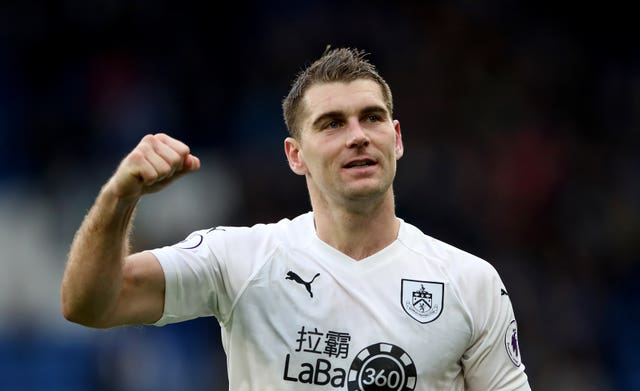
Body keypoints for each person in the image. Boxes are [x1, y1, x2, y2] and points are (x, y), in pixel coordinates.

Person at [61, 47, 531, 390]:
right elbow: (89, 305)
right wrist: (119, 196)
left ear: (397, 138)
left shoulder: (471, 283)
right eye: (332, 124)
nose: (358, 136)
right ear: (295, 154)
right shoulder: (240, 260)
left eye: (372, 118)